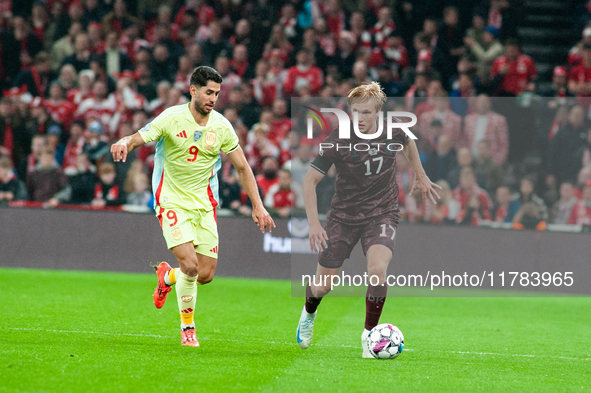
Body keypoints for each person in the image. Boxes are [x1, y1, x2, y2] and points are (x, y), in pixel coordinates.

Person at [110, 66, 274, 347]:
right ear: (193, 90)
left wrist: (258, 206)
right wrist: (123, 141)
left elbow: (243, 167)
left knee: (205, 274)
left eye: (217, 93)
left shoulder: (221, 126)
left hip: (204, 205)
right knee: (190, 264)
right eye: (208, 92)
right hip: (171, 200)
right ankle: (188, 330)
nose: (213, 98)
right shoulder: (172, 117)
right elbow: (138, 137)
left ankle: (167, 276)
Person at [296, 82, 441, 357]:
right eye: (356, 112)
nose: (360, 118)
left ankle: (369, 335)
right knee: (323, 285)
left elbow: (408, 143)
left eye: (366, 113)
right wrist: (314, 224)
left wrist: (419, 174)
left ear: (378, 113)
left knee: (377, 270)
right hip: (343, 216)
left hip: (382, 212)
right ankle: (309, 312)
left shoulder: (393, 130)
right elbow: (309, 182)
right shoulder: (338, 140)